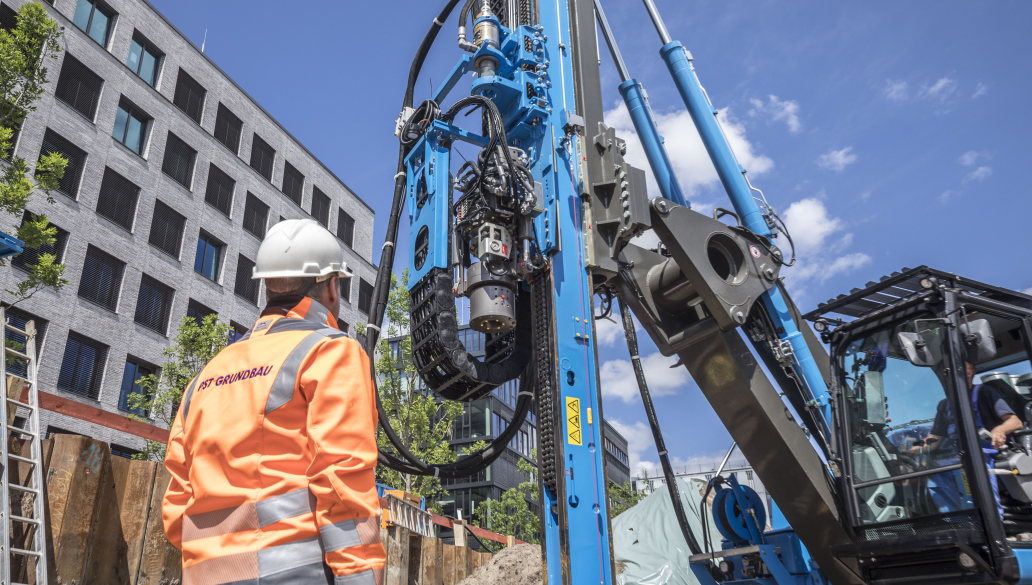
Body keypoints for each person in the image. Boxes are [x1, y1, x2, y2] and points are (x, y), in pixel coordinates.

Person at [162, 219, 386, 585]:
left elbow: (175, 510)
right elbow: (342, 483)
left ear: (267, 289)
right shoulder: (330, 351)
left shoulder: (207, 374)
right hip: (295, 574)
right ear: (331, 286)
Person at [913, 362, 1024, 516]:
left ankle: (991, 520)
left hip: (985, 452)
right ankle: (957, 524)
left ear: (972, 373)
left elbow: (1015, 422)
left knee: (972, 470)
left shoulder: (984, 392)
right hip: (958, 456)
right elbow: (935, 440)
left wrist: (1000, 429)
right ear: (947, 375)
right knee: (936, 473)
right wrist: (912, 452)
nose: (964, 373)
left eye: (967, 370)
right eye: (955, 370)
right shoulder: (944, 405)